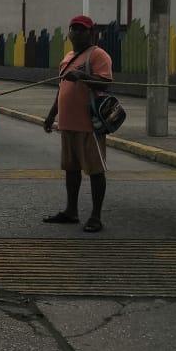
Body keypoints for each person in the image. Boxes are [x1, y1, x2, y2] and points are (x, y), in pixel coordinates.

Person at [42, 15, 112, 233]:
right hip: (67, 123)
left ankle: (96, 216)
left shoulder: (98, 55)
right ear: (69, 33)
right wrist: (52, 114)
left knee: (95, 171)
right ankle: (71, 211)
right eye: (74, 29)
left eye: (82, 30)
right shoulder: (68, 56)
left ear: (91, 33)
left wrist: (81, 76)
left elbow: (106, 83)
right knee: (71, 169)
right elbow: (61, 88)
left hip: (89, 124)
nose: (77, 33)